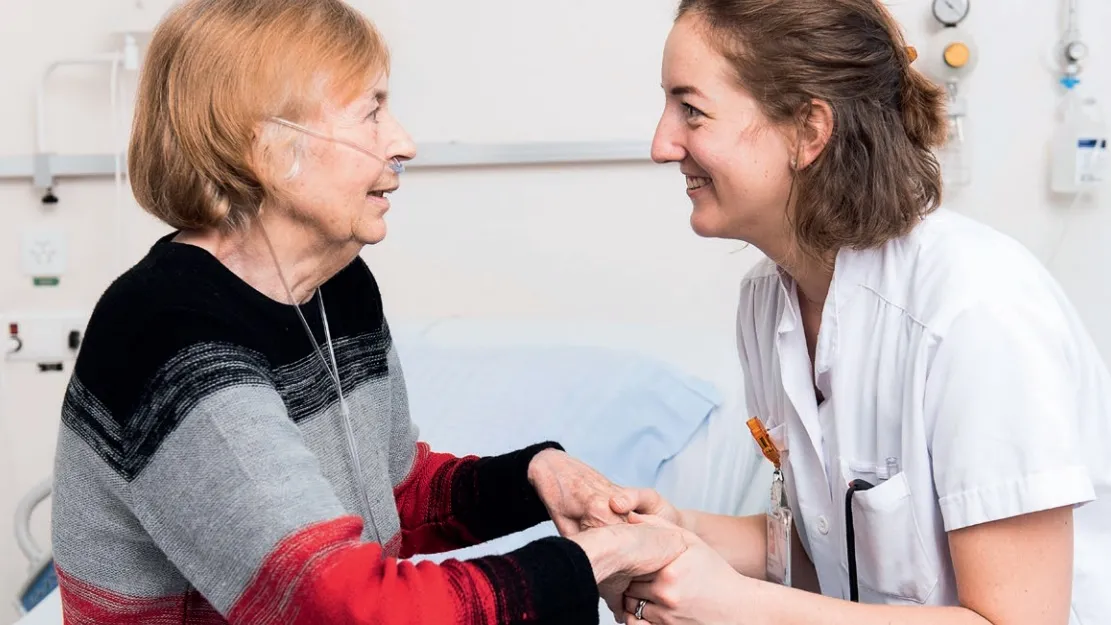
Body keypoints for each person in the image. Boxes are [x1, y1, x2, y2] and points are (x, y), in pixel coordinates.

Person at [48, 0, 687, 623]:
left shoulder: (337, 287)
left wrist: (536, 477)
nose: (403, 142)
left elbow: (388, 495)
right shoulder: (171, 336)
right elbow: (346, 609)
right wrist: (593, 558)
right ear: (266, 146)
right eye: (371, 111)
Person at [608, 0, 1111, 623]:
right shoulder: (768, 303)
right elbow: (835, 549)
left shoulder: (976, 310)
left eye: (692, 110)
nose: (662, 145)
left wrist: (734, 608)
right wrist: (676, 532)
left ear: (807, 131)